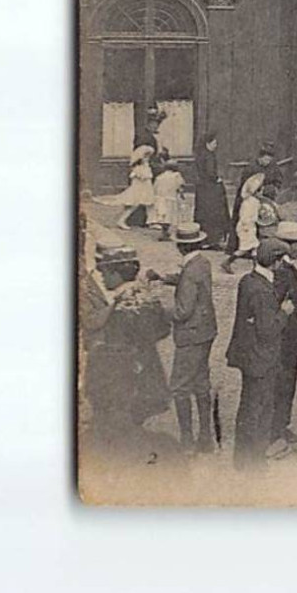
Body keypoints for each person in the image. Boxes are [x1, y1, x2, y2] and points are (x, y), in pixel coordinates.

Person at [82, 241, 172, 452]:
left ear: (117, 273)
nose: (103, 278)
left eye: (106, 272)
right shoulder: (147, 296)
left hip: (127, 378)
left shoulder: (122, 307)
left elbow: (116, 348)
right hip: (150, 369)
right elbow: (163, 329)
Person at [147, 222, 217, 454]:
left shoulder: (190, 271)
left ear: (180, 246)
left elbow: (182, 312)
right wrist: (164, 278)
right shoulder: (202, 263)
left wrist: (157, 308)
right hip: (205, 331)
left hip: (190, 334)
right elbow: (187, 278)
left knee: (179, 387)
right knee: (200, 382)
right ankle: (206, 436)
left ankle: (187, 440)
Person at [224, 238, 293, 469]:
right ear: (274, 261)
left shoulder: (248, 281)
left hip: (249, 357)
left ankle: (242, 460)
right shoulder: (263, 291)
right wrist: (284, 312)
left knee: (248, 407)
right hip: (262, 359)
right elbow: (268, 330)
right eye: (281, 259)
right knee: (260, 410)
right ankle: (255, 462)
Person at [270, 220, 297, 448]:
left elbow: (296, 294)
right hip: (284, 336)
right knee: (283, 381)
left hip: (290, 335)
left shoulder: (288, 269)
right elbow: (278, 303)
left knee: (288, 380)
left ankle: (281, 426)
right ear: (289, 246)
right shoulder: (281, 272)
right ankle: (275, 430)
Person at [192, 132, 232, 249]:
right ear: (207, 143)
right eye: (214, 142)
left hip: (202, 188)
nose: (216, 145)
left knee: (202, 212)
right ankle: (212, 240)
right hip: (210, 189)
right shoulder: (209, 156)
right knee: (214, 213)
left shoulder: (200, 155)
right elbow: (210, 173)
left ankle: (202, 239)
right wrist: (217, 179)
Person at [104, 144, 156, 230]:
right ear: (141, 158)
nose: (148, 159)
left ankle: (151, 222)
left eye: (148, 157)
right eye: (146, 157)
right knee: (133, 205)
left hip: (146, 188)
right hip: (140, 189)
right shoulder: (139, 167)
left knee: (150, 205)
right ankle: (121, 220)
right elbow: (142, 177)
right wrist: (145, 174)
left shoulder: (146, 166)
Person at [225, 171, 265, 273]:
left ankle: (256, 267)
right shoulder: (249, 202)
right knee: (244, 249)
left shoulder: (254, 201)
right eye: (260, 191)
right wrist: (247, 225)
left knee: (255, 247)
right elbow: (244, 217)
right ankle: (227, 262)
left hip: (250, 227)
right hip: (246, 228)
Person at [148, 161, 186, 238]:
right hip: (171, 198)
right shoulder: (176, 176)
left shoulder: (159, 177)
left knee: (163, 216)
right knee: (170, 216)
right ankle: (169, 233)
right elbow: (180, 186)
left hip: (160, 199)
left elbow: (155, 188)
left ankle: (164, 232)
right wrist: (181, 195)